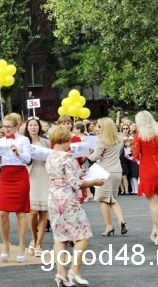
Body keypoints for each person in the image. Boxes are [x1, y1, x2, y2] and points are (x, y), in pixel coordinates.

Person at [46, 125, 105, 287]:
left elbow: (63, 175)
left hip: (53, 198)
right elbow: (75, 183)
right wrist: (94, 182)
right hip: (67, 199)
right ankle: (74, 269)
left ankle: (60, 273)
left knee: (60, 238)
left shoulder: (50, 157)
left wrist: (80, 172)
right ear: (65, 140)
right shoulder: (67, 157)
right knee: (83, 235)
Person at [0, 113, 31, 263]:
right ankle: (5, 244)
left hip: (20, 174)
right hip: (5, 175)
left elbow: (28, 159)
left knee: (21, 213)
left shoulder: (24, 140)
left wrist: (17, 153)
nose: (6, 129)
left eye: (9, 126)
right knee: (2, 213)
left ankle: (21, 246)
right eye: (4, 126)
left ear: (16, 126)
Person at [132, 111, 158, 246]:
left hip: (147, 169)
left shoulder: (139, 136)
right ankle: (155, 229)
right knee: (155, 201)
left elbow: (136, 154)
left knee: (152, 203)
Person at [88, 117, 128, 236]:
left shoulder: (101, 141)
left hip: (104, 172)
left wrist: (88, 154)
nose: (97, 128)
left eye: (99, 126)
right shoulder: (119, 140)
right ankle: (122, 221)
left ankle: (109, 226)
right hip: (117, 171)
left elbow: (95, 157)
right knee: (112, 199)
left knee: (103, 199)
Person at [25, 118, 50, 257]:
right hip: (31, 175)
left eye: (35, 125)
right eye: (31, 125)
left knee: (44, 212)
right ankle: (33, 238)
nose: (33, 127)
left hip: (45, 174)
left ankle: (39, 243)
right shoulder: (24, 141)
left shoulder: (46, 141)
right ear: (27, 128)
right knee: (33, 211)